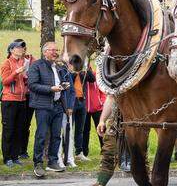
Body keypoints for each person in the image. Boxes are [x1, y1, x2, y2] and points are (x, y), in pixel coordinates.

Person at [78, 95, 146, 186]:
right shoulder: (116, 78)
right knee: (108, 154)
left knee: (140, 157)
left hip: (138, 120)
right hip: (116, 122)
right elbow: (111, 97)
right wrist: (102, 120)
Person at [27, 42, 75, 177]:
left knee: (56, 135)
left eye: (57, 50)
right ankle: (38, 163)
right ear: (45, 52)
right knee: (41, 135)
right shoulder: (36, 66)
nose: (56, 52)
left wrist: (62, 86)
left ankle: (53, 162)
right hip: (43, 106)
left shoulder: (58, 67)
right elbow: (32, 85)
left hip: (58, 106)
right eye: (53, 50)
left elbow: (60, 83)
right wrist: (50, 89)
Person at [1, 41, 31, 167]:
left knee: (19, 129)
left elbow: (23, 81)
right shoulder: (6, 63)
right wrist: (16, 72)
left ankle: (15, 157)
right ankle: (7, 158)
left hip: (22, 100)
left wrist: (25, 76)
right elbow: (5, 81)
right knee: (9, 130)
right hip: (9, 101)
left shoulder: (22, 62)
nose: (21, 49)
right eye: (18, 47)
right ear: (11, 50)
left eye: (22, 47)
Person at [83, 64, 104, 153]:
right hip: (84, 109)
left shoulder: (96, 75)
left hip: (97, 108)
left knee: (101, 129)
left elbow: (102, 91)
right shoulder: (81, 78)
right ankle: (84, 152)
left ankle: (105, 150)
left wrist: (102, 102)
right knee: (85, 130)